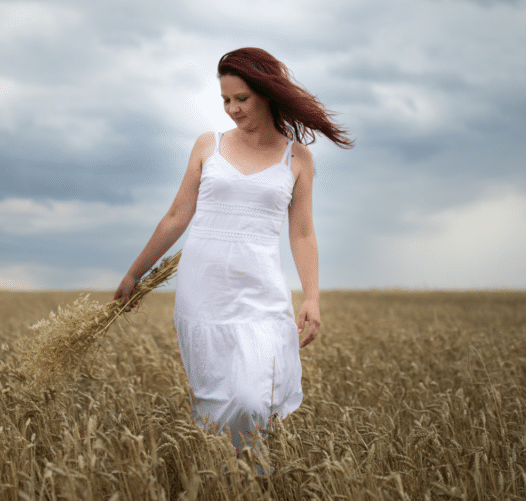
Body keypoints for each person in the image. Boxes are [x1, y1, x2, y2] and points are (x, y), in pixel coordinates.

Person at [114, 47, 353, 452]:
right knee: (217, 402)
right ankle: (230, 481)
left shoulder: (297, 157)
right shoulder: (209, 145)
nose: (232, 109)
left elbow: (302, 232)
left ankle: (249, 471)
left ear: (266, 93)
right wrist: (136, 273)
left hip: (262, 296)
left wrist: (312, 297)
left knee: (252, 398)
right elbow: (176, 216)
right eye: (225, 100)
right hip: (204, 294)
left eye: (241, 98)